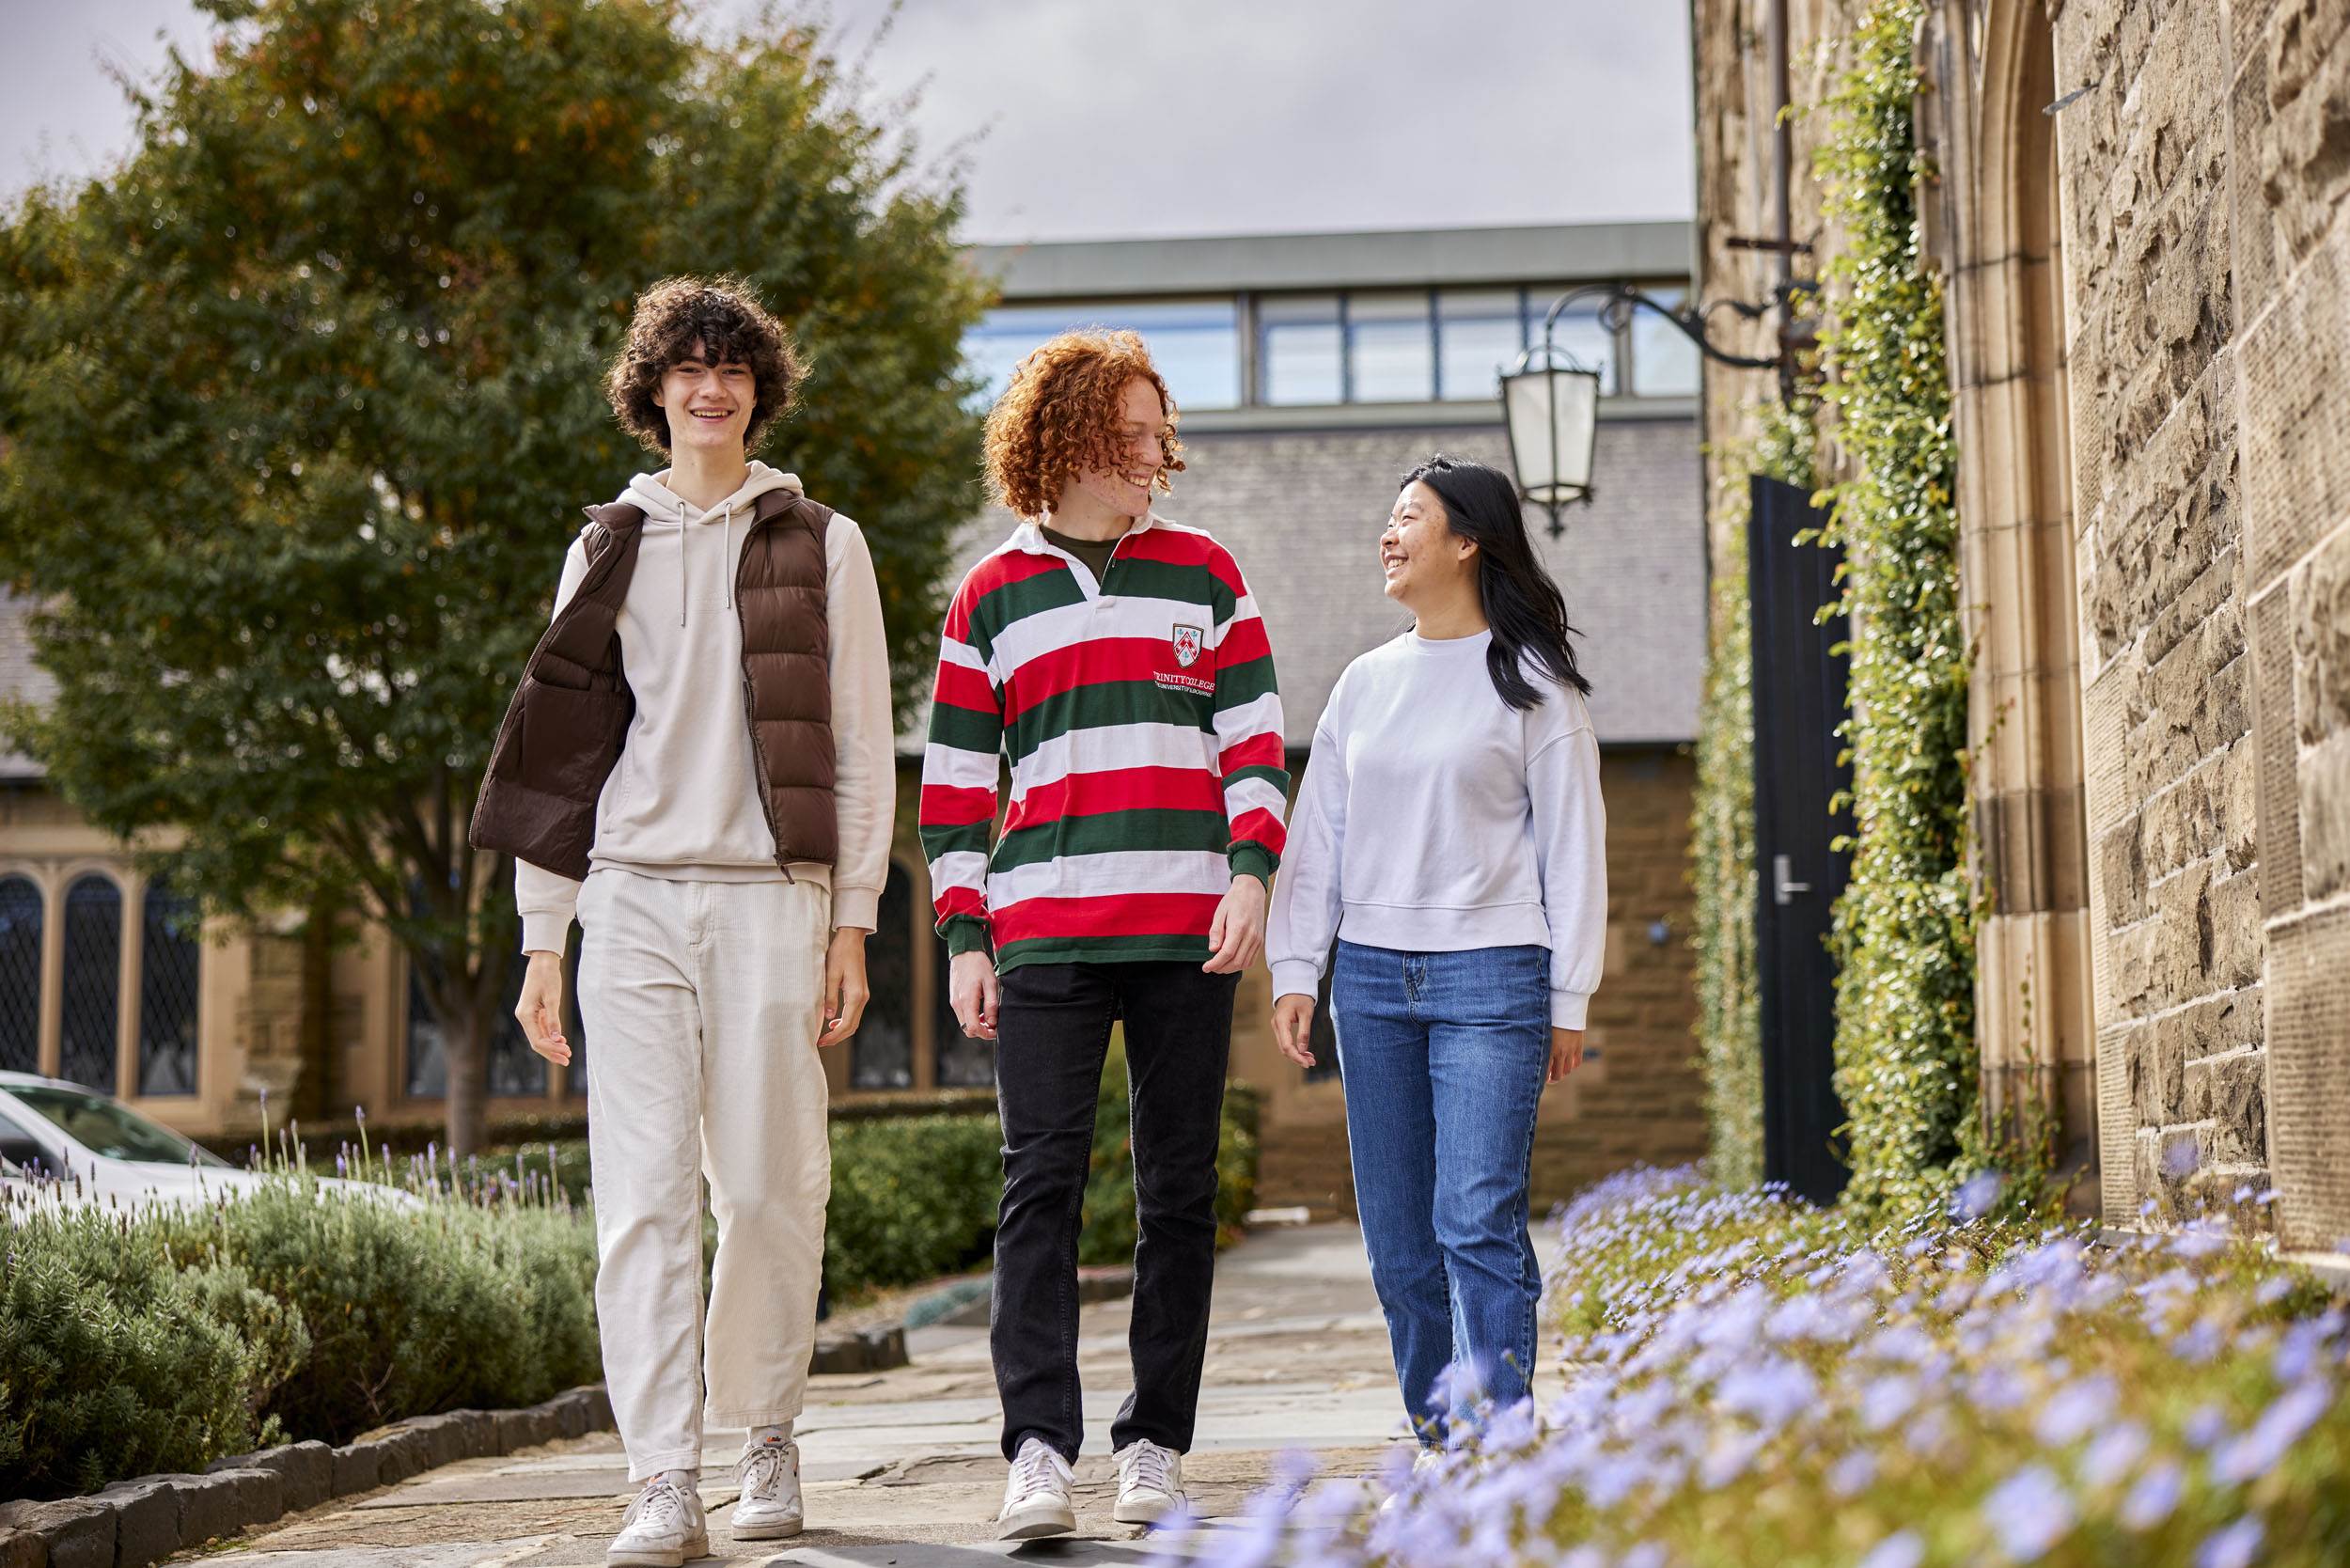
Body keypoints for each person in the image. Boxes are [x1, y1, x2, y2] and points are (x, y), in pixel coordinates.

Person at [472, 276, 895, 1568]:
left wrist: (853, 919)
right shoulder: (607, 546)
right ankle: (664, 1475)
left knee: (768, 1192)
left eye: (733, 367)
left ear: (758, 389)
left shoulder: (823, 541)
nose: (711, 386)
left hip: (775, 899)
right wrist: (547, 937)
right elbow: (560, 757)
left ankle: (765, 1429)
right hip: (635, 902)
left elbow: (864, 744)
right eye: (687, 367)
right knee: (645, 1203)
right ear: (652, 391)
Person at [918, 329, 1287, 1540]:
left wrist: (1251, 875)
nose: (1149, 455)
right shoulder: (990, 594)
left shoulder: (1207, 575)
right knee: (1042, 1187)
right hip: (1045, 938)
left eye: (1155, 434)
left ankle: (1156, 1446)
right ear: (1061, 438)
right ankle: (1036, 1447)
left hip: (1190, 930)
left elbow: (1253, 747)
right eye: (1126, 434)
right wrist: (965, 934)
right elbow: (959, 787)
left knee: (1178, 1193)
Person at [1264, 453, 1604, 1445]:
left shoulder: (1535, 684)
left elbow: (1572, 848)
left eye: (1409, 515)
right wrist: (1296, 966)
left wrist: (1569, 995)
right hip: (1368, 983)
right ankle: (1440, 1436)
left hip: (1493, 982)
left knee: (1474, 1221)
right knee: (1401, 1249)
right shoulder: (1363, 685)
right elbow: (1316, 833)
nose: (1389, 532)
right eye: (1387, 515)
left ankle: (1497, 1440)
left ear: (1466, 540)